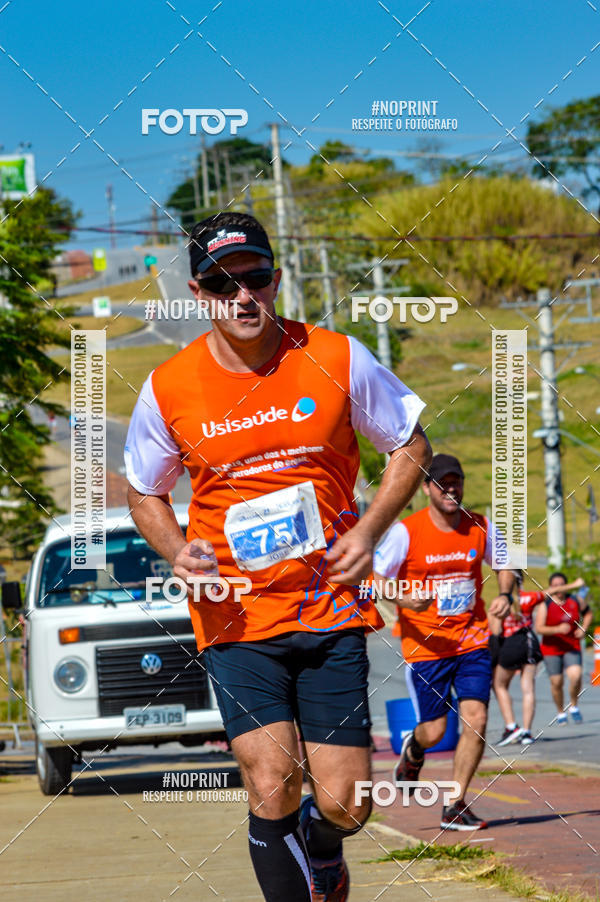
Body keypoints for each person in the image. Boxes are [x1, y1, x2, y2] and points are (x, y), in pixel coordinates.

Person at [124, 210, 432, 902]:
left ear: (277, 278)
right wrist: (180, 553)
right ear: (199, 294)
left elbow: (411, 445)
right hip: (234, 618)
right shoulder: (169, 386)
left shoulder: (338, 356)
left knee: (348, 802)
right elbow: (146, 492)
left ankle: (324, 849)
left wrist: (372, 528)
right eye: (221, 282)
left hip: (329, 609)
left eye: (255, 278)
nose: (242, 296)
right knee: (270, 778)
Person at [373, 453, 515, 831]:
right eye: (442, 483)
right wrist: (403, 598)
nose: (451, 489)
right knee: (435, 732)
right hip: (426, 647)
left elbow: (504, 562)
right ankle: (414, 750)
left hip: (472, 640)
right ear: (426, 488)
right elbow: (375, 579)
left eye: (456, 481)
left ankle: (454, 804)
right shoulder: (407, 531)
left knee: (477, 718)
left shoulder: (479, 526)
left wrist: (505, 594)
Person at [494, 572, 585, 746]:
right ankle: (527, 732)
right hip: (530, 643)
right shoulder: (529, 597)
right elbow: (553, 590)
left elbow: (496, 628)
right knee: (528, 689)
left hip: (511, 644)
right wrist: (574, 584)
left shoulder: (500, 602)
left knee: (499, 685)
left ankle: (511, 726)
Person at [535, 572, 593, 725]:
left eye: (561, 585)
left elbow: (588, 614)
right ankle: (560, 711)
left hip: (571, 646)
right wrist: (557, 629)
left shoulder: (575, 600)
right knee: (557, 682)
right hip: (551, 648)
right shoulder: (545, 604)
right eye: (555, 586)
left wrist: (583, 629)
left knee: (575, 676)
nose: (558, 589)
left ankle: (574, 706)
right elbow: (539, 628)